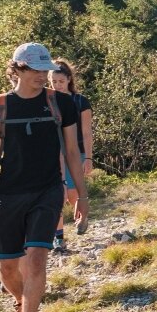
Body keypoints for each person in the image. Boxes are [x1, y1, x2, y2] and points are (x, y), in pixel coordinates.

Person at [0, 42, 89, 312]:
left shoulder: (59, 105)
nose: (43, 76)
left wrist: (81, 196)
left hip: (47, 191)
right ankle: (23, 301)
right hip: (9, 194)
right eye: (37, 70)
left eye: (46, 70)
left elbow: (73, 153)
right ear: (18, 70)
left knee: (37, 258)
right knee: (7, 266)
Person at [49, 60, 94, 249]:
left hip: (77, 152)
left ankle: (82, 218)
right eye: (53, 81)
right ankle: (58, 237)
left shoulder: (80, 101)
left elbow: (86, 132)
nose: (57, 85)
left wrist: (89, 158)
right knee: (57, 195)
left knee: (74, 194)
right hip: (52, 154)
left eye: (61, 81)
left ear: (69, 79)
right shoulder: (46, 101)